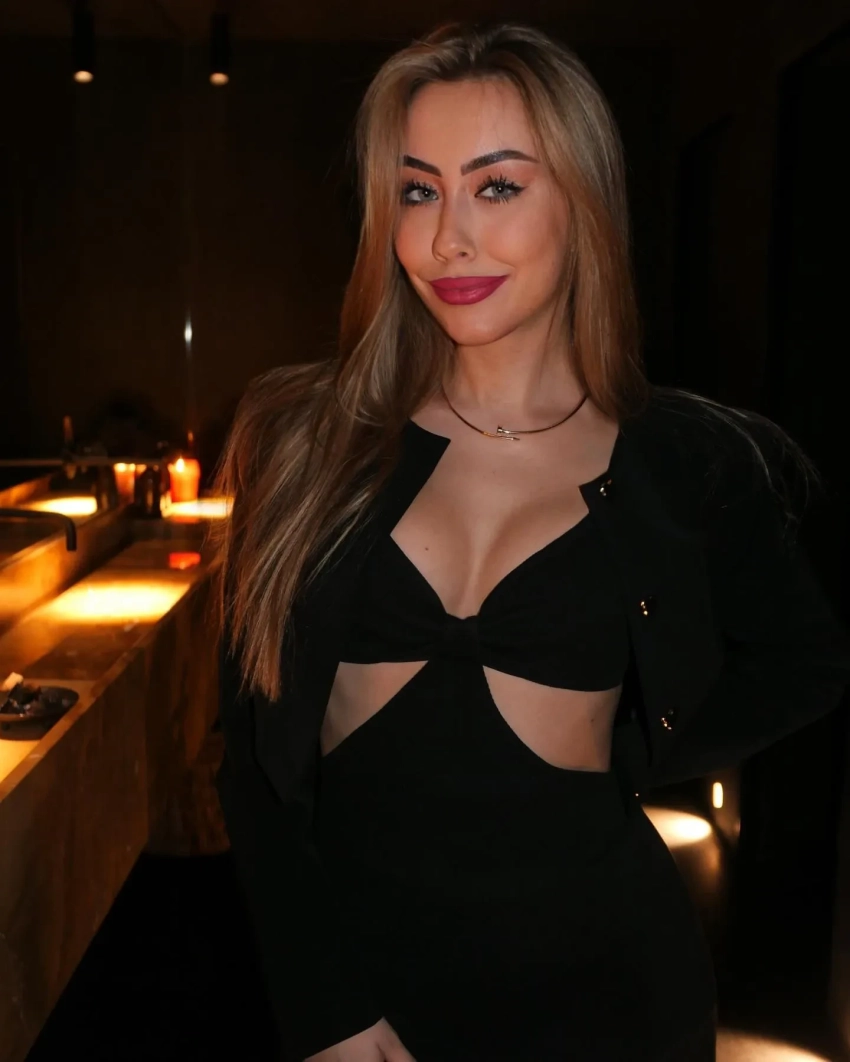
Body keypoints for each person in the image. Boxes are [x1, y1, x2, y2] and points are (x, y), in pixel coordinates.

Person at [211, 20, 850, 1062]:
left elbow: (806, 662)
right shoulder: (306, 440)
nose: (447, 239)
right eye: (418, 192)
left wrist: (634, 744)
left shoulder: (686, 464)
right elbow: (248, 758)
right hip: (361, 990)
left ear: (582, 203)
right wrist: (324, 1004)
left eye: (497, 186)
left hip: (615, 995)